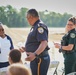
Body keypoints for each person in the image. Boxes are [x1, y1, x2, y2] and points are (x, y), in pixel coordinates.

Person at [20, 9, 50, 75]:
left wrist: (34, 54)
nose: (27, 20)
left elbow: (44, 42)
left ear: (30, 17)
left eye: (27, 18)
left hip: (39, 59)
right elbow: (36, 43)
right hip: (36, 59)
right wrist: (26, 49)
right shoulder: (35, 26)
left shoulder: (39, 26)